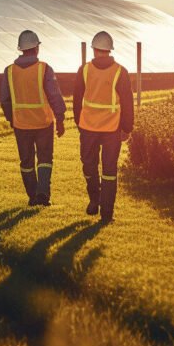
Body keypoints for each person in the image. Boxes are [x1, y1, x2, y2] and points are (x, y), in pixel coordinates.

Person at [73, 31, 134, 223]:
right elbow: (127, 101)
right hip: (112, 129)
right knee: (109, 171)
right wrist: (127, 127)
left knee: (89, 166)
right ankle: (107, 213)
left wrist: (78, 122)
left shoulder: (83, 70)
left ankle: (94, 200)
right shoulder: (120, 71)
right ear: (109, 50)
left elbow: (76, 98)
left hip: (88, 127)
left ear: (94, 49)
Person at [0, 30, 66, 206]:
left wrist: (12, 119)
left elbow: (5, 99)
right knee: (44, 160)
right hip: (43, 123)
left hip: (21, 125)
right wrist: (60, 118)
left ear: (21, 49)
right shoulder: (44, 69)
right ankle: (43, 194)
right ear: (36, 48)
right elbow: (54, 95)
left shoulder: (9, 71)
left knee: (26, 162)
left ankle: (32, 196)